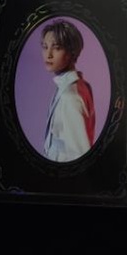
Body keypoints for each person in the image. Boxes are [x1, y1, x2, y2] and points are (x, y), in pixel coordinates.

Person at [41, 19, 96, 162]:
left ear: (71, 52)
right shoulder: (77, 85)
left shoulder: (69, 96)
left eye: (57, 48)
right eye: (45, 47)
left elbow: (81, 156)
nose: (48, 54)